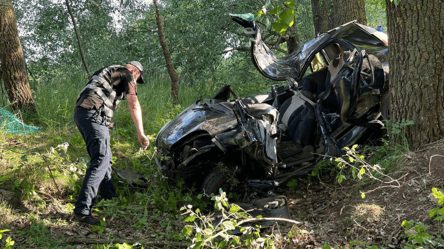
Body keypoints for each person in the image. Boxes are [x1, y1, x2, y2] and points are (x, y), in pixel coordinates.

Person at [72, 61, 149, 225]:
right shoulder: (126, 73)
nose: (135, 81)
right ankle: (82, 211)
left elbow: (97, 93)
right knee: (100, 160)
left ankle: (109, 196)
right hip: (93, 115)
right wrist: (140, 133)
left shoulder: (106, 71)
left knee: (106, 158)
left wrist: (104, 122)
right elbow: (134, 103)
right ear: (134, 71)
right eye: (137, 78)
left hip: (84, 113)